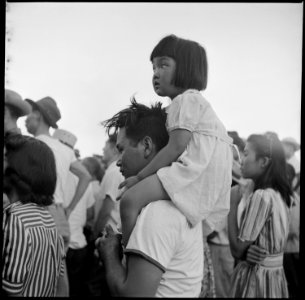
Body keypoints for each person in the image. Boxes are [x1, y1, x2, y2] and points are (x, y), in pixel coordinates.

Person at [112, 34, 234, 246]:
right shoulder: (194, 102)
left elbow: (176, 146)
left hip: (193, 174)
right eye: (153, 68)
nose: (156, 73)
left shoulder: (185, 100)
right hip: (207, 176)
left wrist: (140, 177)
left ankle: (128, 253)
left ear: (187, 68)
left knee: (130, 201)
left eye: (163, 65)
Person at [96, 100, 203, 297]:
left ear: (146, 146)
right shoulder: (178, 198)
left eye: (121, 149)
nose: (118, 161)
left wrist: (110, 254)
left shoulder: (156, 212)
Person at [25, 96, 91, 296]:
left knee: (31, 278)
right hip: (59, 216)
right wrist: (69, 209)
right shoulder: (64, 150)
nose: (26, 119)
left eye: (28, 115)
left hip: (34, 214)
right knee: (57, 278)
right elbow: (86, 176)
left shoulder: (29, 145)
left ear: (37, 115)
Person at [228, 133, 292, 298]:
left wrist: (232, 204)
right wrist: (247, 250)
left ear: (263, 162)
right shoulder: (282, 195)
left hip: (257, 281)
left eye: (247, 154)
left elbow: (236, 249)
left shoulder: (261, 196)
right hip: (274, 278)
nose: (241, 160)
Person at [2, 134, 65, 296]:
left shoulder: (14, 218)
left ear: (18, 170)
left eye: (5, 158)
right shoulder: (48, 219)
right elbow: (60, 280)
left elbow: (12, 290)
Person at [85, 134, 124, 297]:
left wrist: (95, 234)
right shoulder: (116, 170)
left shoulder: (114, 171)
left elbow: (106, 209)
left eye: (105, 146)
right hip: (114, 237)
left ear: (114, 148)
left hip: (108, 236)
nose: (102, 149)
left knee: (97, 286)